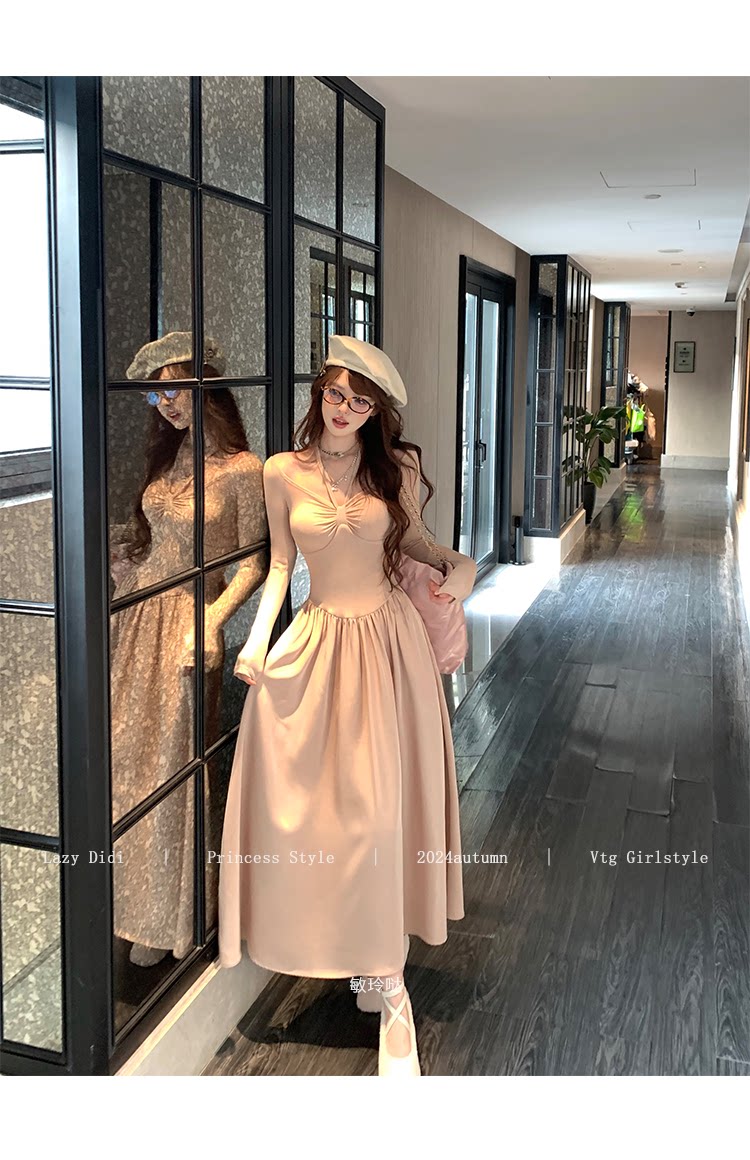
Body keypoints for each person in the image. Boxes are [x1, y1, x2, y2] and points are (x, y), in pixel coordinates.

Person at [218, 335, 477, 1077]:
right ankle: (358, 954)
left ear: (375, 413)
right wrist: (257, 644)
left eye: (361, 403)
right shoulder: (281, 471)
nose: (345, 410)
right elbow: (280, 567)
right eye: (336, 394)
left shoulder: (394, 468)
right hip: (321, 642)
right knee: (323, 815)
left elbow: (421, 543)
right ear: (319, 392)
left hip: (389, 650)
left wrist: (459, 569)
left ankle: (390, 989)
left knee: (378, 818)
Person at [110, 332, 268, 967]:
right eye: (157, 395)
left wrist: (212, 619)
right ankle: (127, 906)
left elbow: (254, 562)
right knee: (127, 763)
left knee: (174, 769)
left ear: (207, 387)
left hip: (188, 624)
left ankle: (172, 915)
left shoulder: (244, 470)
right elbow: (154, 538)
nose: (166, 404)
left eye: (175, 388)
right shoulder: (171, 457)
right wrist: (123, 562)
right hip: (137, 622)